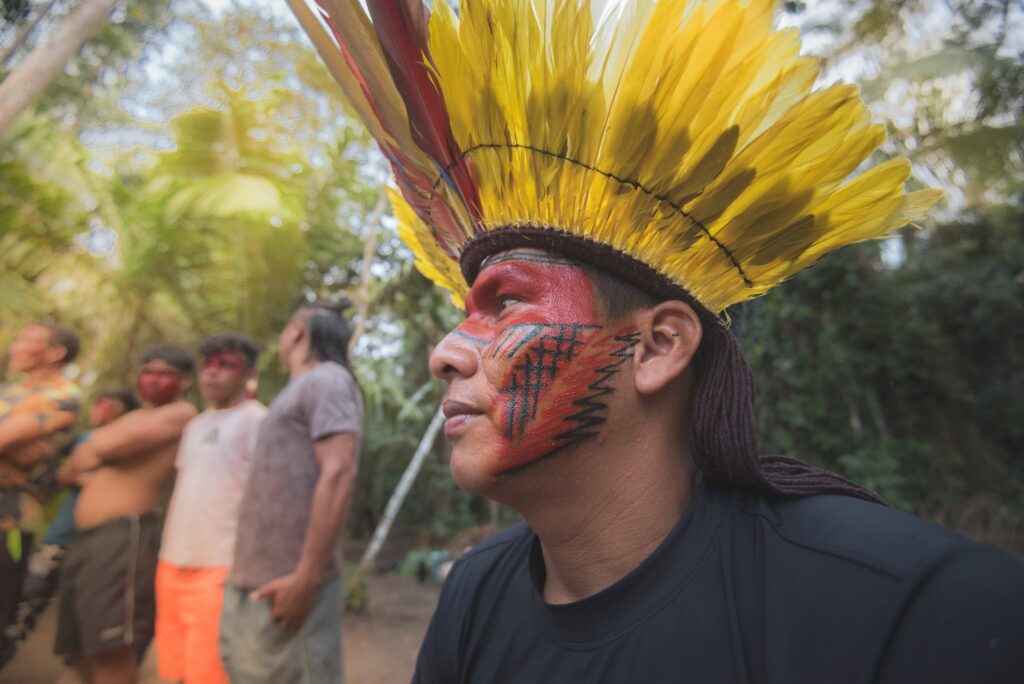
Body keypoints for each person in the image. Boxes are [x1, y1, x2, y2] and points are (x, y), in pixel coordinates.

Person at [294, 0, 1024, 681]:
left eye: (506, 303)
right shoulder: (472, 598)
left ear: (659, 346)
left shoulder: (918, 609)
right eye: (465, 313)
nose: (445, 352)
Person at [220, 301, 362, 684]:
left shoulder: (327, 379)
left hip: (290, 589)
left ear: (298, 330)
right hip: (260, 583)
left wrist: (306, 579)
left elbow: (339, 472)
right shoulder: (299, 389)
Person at [56, 346, 196, 684]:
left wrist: (101, 446)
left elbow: (102, 448)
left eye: (164, 373)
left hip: (125, 536)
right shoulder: (134, 418)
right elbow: (77, 461)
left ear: (185, 381)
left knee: (111, 646)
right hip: (88, 540)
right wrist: (99, 448)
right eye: (148, 371)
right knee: (81, 648)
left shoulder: (181, 412)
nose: (153, 379)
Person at [156, 334, 266, 684]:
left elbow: (266, 498)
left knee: (209, 671)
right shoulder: (195, 425)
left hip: (221, 567)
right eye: (208, 365)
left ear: (248, 373)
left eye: (226, 365)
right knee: (172, 668)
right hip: (171, 561)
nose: (212, 374)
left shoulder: (258, 421)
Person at [1, 389, 138, 669]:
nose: (97, 407)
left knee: (83, 613)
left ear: (122, 412)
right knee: (26, 598)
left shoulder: (127, 441)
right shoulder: (81, 439)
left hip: (97, 544)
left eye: (105, 402)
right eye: (97, 400)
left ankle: (76, 666)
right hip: (58, 537)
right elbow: (54, 466)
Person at [0, 321, 81, 657]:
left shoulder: (64, 395)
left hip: (12, 521)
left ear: (55, 353)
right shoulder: (8, 392)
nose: (15, 346)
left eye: (26, 340)